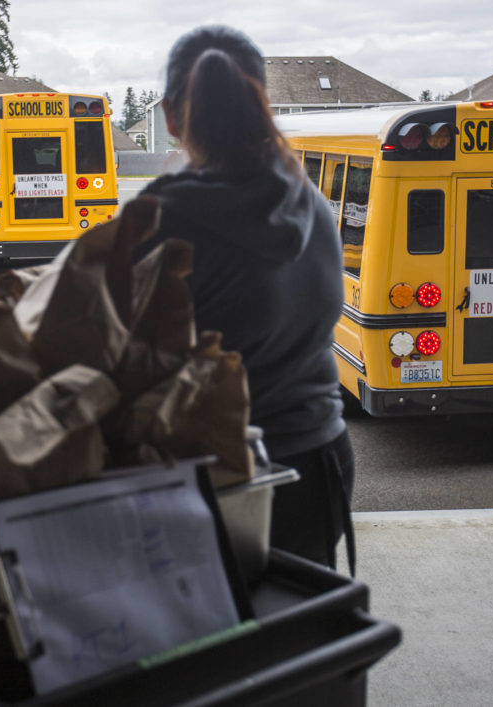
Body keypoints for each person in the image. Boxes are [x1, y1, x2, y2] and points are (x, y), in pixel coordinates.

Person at [135, 25, 355, 571]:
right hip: (319, 457)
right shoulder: (313, 203)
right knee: (300, 634)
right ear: (263, 104)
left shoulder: (159, 219)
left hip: (217, 477)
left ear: (169, 116)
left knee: (215, 648)